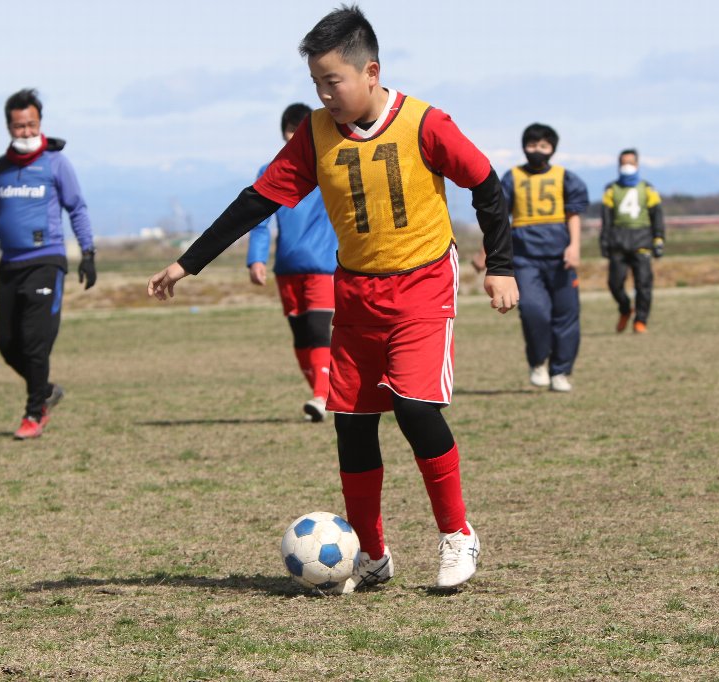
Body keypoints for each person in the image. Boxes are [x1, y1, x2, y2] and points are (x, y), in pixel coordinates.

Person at [148, 5, 518, 591]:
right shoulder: (316, 134)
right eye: (315, 83)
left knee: (415, 409)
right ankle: (372, 554)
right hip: (356, 290)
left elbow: (486, 185)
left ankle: (457, 533)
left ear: (371, 72)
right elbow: (258, 200)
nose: (324, 95)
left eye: (332, 81)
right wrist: (187, 262)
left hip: (423, 283)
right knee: (352, 422)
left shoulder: (425, 123)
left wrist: (500, 267)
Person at [0, 88, 96, 440]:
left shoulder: (56, 163)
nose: (25, 132)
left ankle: (33, 412)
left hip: (46, 262)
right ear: (8, 127)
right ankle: (46, 390)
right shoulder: (1, 168)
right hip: (10, 265)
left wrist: (88, 253)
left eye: (31, 125)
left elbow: (77, 208)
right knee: (8, 345)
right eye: (19, 126)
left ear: (40, 123)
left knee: (35, 343)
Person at [477, 124, 588, 393]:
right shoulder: (512, 177)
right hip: (525, 258)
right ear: (524, 147)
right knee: (533, 311)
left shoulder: (565, 177)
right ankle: (538, 362)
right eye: (532, 145)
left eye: (543, 146)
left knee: (566, 314)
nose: (537, 150)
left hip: (559, 258)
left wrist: (574, 246)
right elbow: (498, 218)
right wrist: (486, 253)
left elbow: (573, 215)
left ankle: (560, 371)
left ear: (552, 149)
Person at [247, 103, 338, 423]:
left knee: (319, 331)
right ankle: (322, 396)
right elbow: (258, 220)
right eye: (290, 131)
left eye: (300, 131)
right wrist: (256, 258)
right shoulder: (270, 171)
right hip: (286, 266)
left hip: (324, 264)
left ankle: (321, 396)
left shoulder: (330, 165)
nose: (294, 137)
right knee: (301, 336)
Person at [599, 148, 666, 333]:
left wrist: (659, 239)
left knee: (643, 284)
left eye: (630, 163)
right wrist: (604, 241)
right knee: (614, 283)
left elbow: (657, 216)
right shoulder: (611, 190)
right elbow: (606, 219)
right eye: (623, 163)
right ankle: (625, 309)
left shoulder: (648, 189)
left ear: (637, 164)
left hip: (642, 241)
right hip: (618, 242)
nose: (627, 166)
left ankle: (640, 320)